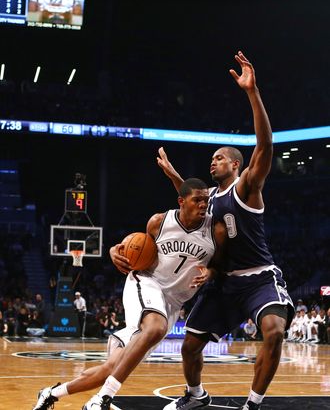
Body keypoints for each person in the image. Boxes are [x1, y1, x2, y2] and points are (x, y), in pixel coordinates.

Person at [157, 51, 295, 410]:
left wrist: (252, 92)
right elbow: (191, 202)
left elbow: (265, 146)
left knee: (275, 332)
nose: (212, 161)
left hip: (258, 277)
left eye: (219, 158)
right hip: (223, 282)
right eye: (212, 159)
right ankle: (197, 396)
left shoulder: (246, 186)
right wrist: (174, 176)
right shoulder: (208, 199)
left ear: (235, 164)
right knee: (189, 347)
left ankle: (253, 403)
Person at [31, 178, 227, 410]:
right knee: (155, 327)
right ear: (182, 202)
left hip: (173, 304)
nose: (204, 204)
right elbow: (136, 248)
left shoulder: (216, 231)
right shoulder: (159, 222)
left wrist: (210, 274)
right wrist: (115, 250)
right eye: (198, 200)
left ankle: (51, 393)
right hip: (147, 282)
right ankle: (102, 398)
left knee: (112, 367)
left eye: (206, 200)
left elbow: (219, 265)